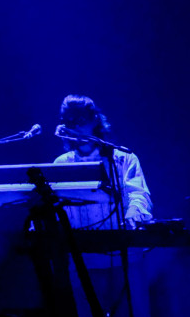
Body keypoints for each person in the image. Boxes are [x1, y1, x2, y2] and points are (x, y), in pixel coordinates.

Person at [52, 94, 151, 230]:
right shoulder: (62, 164)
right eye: (69, 121)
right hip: (78, 241)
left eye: (80, 119)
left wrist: (134, 214)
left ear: (95, 119)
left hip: (120, 238)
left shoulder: (124, 158)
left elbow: (138, 194)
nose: (75, 126)